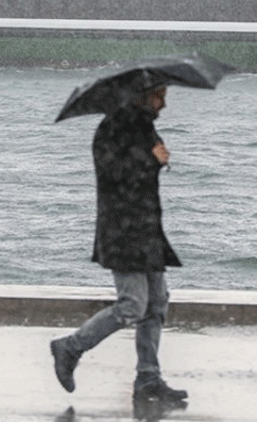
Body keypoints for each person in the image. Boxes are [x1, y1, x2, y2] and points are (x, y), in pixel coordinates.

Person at [50, 84, 189, 405]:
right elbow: (113, 175)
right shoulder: (110, 129)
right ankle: (70, 347)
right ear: (142, 95)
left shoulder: (145, 127)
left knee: (156, 304)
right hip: (122, 231)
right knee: (132, 306)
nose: (164, 104)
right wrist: (150, 159)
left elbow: (142, 174)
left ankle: (148, 378)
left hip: (147, 228)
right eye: (159, 96)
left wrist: (158, 159)